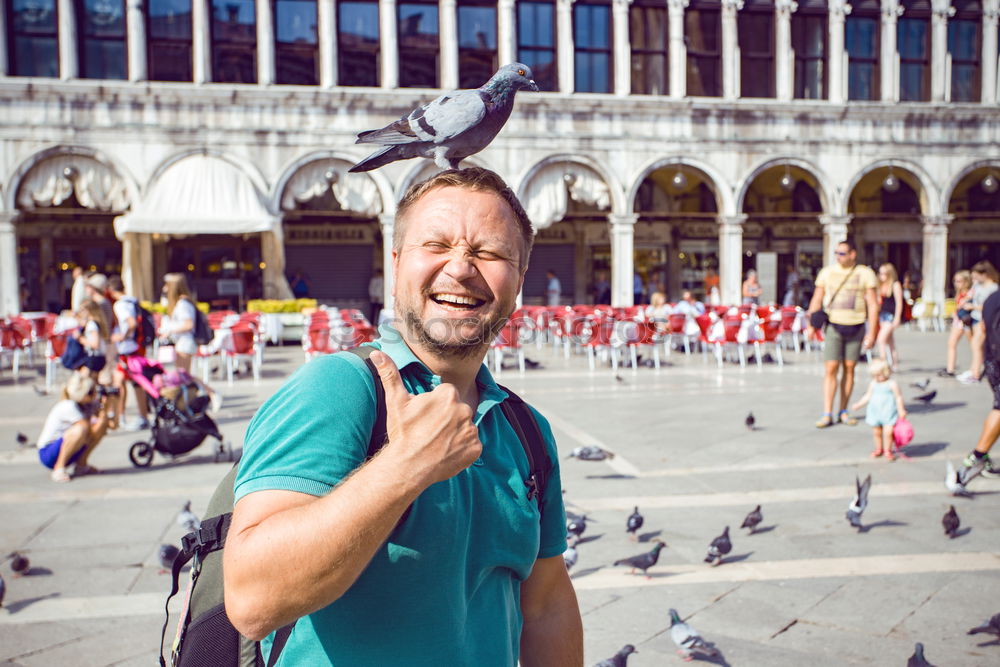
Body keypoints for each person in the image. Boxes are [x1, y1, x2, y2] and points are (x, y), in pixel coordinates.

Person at [224, 168, 582, 666]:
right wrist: (406, 466)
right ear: (396, 265)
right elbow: (251, 599)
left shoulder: (526, 431)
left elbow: (544, 604)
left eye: (490, 252)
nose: (460, 268)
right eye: (435, 244)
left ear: (519, 279)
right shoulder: (339, 389)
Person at [806, 239, 878, 428]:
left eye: (842, 253)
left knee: (849, 368)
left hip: (856, 325)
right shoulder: (827, 273)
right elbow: (817, 298)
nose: (838, 257)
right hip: (833, 326)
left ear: (853, 254)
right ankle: (827, 412)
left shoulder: (865, 273)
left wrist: (873, 332)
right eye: (836, 253)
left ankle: (843, 410)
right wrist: (811, 326)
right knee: (830, 369)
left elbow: (872, 303)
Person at [957, 288, 1000, 486]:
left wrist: (979, 361)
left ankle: (978, 456)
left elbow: (981, 331)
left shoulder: (992, 298)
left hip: (992, 361)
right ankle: (978, 456)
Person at [35, 373, 109, 482]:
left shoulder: (88, 404)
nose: (95, 394)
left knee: (101, 426)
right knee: (80, 429)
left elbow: (113, 425)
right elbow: (86, 429)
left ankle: (81, 465)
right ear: (83, 394)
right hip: (48, 453)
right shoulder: (68, 406)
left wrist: (106, 407)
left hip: (69, 449)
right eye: (91, 392)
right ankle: (59, 468)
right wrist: (100, 420)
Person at [107, 275, 150, 431]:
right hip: (136, 347)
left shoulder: (120, 305)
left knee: (123, 383)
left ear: (111, 290)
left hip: (128, 349)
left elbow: (131, 323)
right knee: (135, 382)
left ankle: (120, 416)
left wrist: (122, 337)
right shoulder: (132, 300)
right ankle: (136, 416)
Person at [851, 359, 907, 461]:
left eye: (879, 375)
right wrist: (859, 404)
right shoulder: (873, 383)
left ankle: (887, 450)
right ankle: (878, 448)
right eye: (874, 375)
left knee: (888, 433)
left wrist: (901, 410)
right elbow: (867, 396)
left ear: (886, 372)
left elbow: (898, 397)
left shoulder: (892, 384)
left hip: (889, 412)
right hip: (875, 412)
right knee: (876, 432)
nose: (876, 377)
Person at [957, 260, 999, 385]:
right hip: (975, 318)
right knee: (977, 346)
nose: (974, 277)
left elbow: (991, 307)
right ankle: (974, 370)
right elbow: (972, 296)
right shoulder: (978, 285)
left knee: (976, 345)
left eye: (976, 275)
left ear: (984, 274)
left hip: (984, 319)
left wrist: (973, 307)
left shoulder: (993, 288)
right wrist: (965, 300)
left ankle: (976, 373)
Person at [159, 273, 199, 374]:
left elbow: (188, 324)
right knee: (182, 375)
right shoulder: (181, 302)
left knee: (183, 375)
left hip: (185, 341)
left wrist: (169, 329)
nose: (164, 288)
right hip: (181, 341)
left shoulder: (183, 304)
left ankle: (208, 390)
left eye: (166, 285)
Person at [940, 270, 974, 378]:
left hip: (967, 321)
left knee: (974, 346)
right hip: (958, 321)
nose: (956, 283)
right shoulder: (959, 293)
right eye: (955, 281)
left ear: (966, 281)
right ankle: (950, 369)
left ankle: (975, 368)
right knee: (951, 343)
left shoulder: (970, 293)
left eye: (959, 281)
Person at [875, 263, 904, 368]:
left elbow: (899, 303)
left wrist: (897, 318)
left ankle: (883, 364)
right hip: (882, 315)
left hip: (890, 316)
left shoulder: (895, 285)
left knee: (881, 340)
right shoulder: (881, 285)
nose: (882, 276)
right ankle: (895, 364)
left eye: (884, 273)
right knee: (890, 341)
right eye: (880, 273)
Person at [73, 300, 110, 377]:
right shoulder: (97, 322)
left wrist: (80, 338)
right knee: (92, 385)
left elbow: (95, 344)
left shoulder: (92, 324)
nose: (80, 312)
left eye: (82, 310)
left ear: (88, 310)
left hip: (93, 358)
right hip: (99, 357)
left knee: (81, 385)